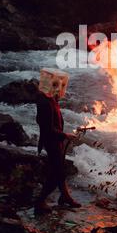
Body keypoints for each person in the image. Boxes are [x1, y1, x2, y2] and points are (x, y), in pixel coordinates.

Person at [34, 68, 81, 214]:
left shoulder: (49, 99)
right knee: (56, 174)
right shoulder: (45, 103)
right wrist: (65, 135)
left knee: (59, 171)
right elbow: (48, 129)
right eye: (58, 84)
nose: (61, 88)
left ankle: (65, 197)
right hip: (52, 142)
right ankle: (40, 202)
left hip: (55, 141)